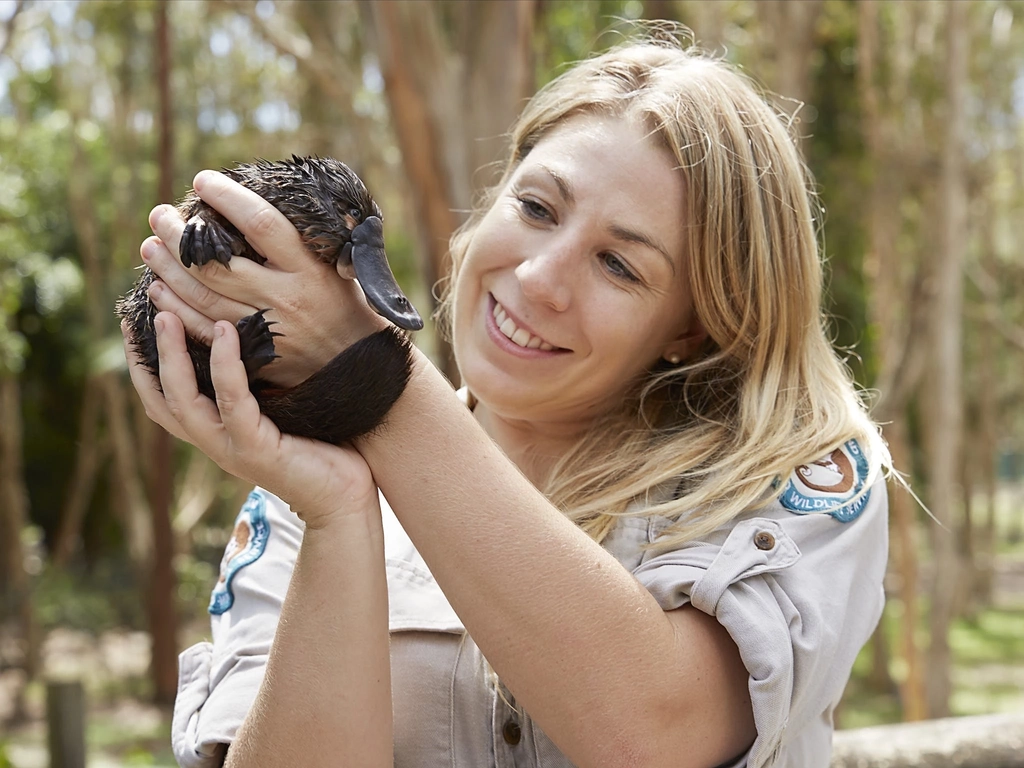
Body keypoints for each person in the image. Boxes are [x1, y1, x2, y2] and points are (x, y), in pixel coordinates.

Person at [125, 30, 889, 768]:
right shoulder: (292, 497)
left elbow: (655, 737)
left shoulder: (797, 480)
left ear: (691, 326)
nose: (537, 279)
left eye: (618, 264)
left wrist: (375, 380)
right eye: (536, 209)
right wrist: (337, 515)